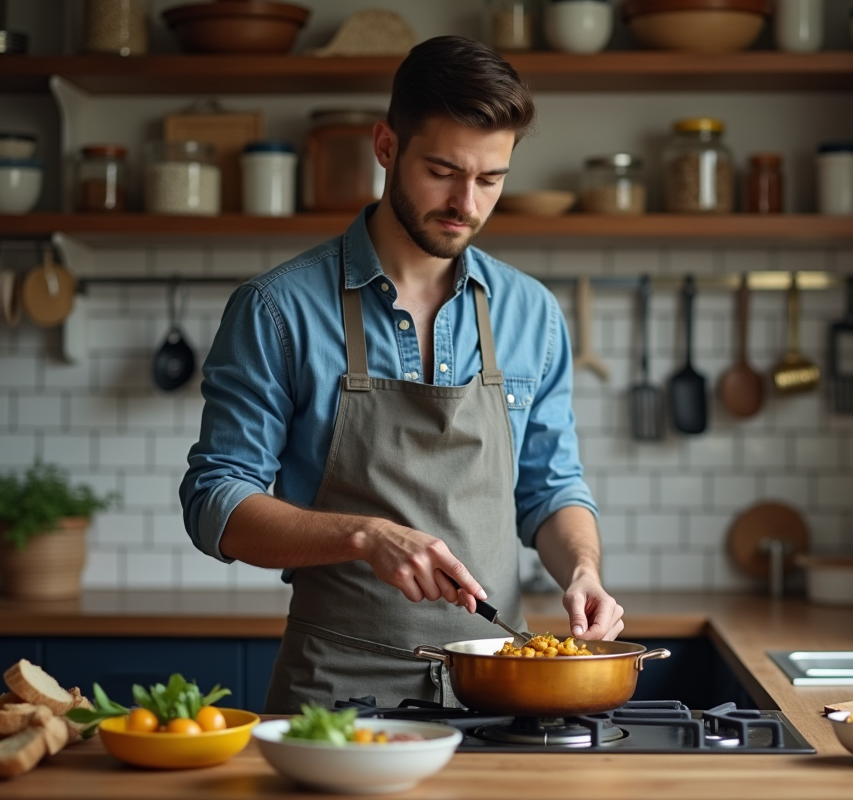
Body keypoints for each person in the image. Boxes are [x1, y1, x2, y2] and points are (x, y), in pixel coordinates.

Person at [178, 35, 623, 712]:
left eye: (490, 179)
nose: (466, 204)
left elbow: (551, 488)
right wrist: (363, 535)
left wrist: (584, 570)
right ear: (386, 146)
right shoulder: (277, 309)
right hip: (334, 694)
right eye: (442, 170)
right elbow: (215, 501)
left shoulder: (532, 312)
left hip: (503, 687)